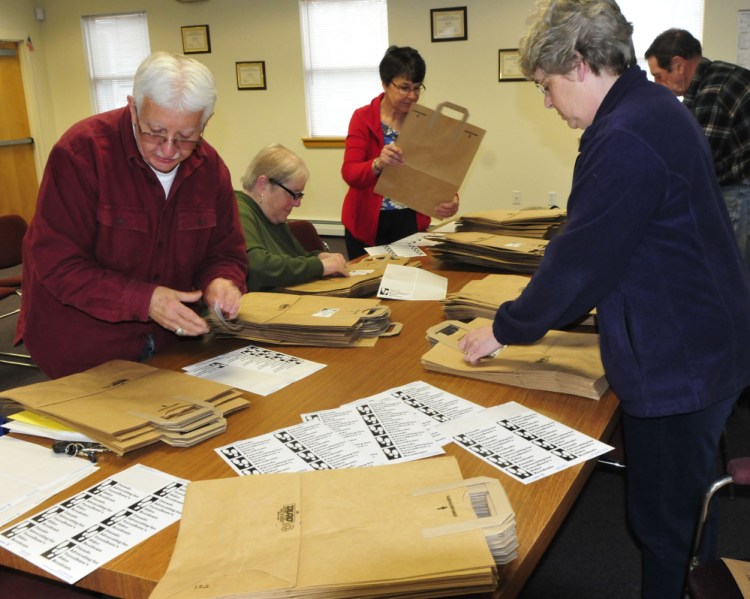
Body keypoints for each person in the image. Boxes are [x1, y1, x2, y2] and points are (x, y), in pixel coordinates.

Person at [457, 2, 750, 598]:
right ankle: (698, 571)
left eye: (545, 86)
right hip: (704, 343)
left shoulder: (626, 135)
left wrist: (506, 327)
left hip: (680, 363)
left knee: (663, 523)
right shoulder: (649, 110)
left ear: (579, 64)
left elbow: (581, 261)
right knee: (692, 500)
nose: (545, 102)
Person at [16, 51, 248, 379]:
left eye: (185, 138)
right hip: (83, 348)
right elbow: (57, 264)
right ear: (133, 106)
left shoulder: (211, 169)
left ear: (205, 123)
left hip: (171, 344)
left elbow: (224, 252)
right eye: (155, 132)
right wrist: (145, 300)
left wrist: (221, 282)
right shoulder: (81, 154)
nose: (168, 150)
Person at [341, 45, 459, 259]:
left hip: (409, 222)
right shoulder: (363, 118)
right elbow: (350, 173)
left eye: (417, 87)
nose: (412, 96)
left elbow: (438, 171)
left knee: (410, 286)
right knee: (367, 287)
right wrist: (377, 163)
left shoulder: (425, 123)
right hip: (367, 225)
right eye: (404, 87)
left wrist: (450, 199)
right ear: (385, 84)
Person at [645, 28, 750, 268]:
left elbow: (698, 163)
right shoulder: (715, 78)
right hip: (737, 184)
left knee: (730, 273)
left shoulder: (712, 91)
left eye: (659, 75)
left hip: (740, 191)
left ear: (679, 65)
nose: (657, 84)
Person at [235, 143, 349, 292]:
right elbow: (257, 266)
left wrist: (320, 257)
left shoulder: (272, 216)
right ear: (263, 185)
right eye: (293, 194)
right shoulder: (237, 211)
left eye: (300, 195)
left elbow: (295, 257)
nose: (297, 203)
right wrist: (319, 266)